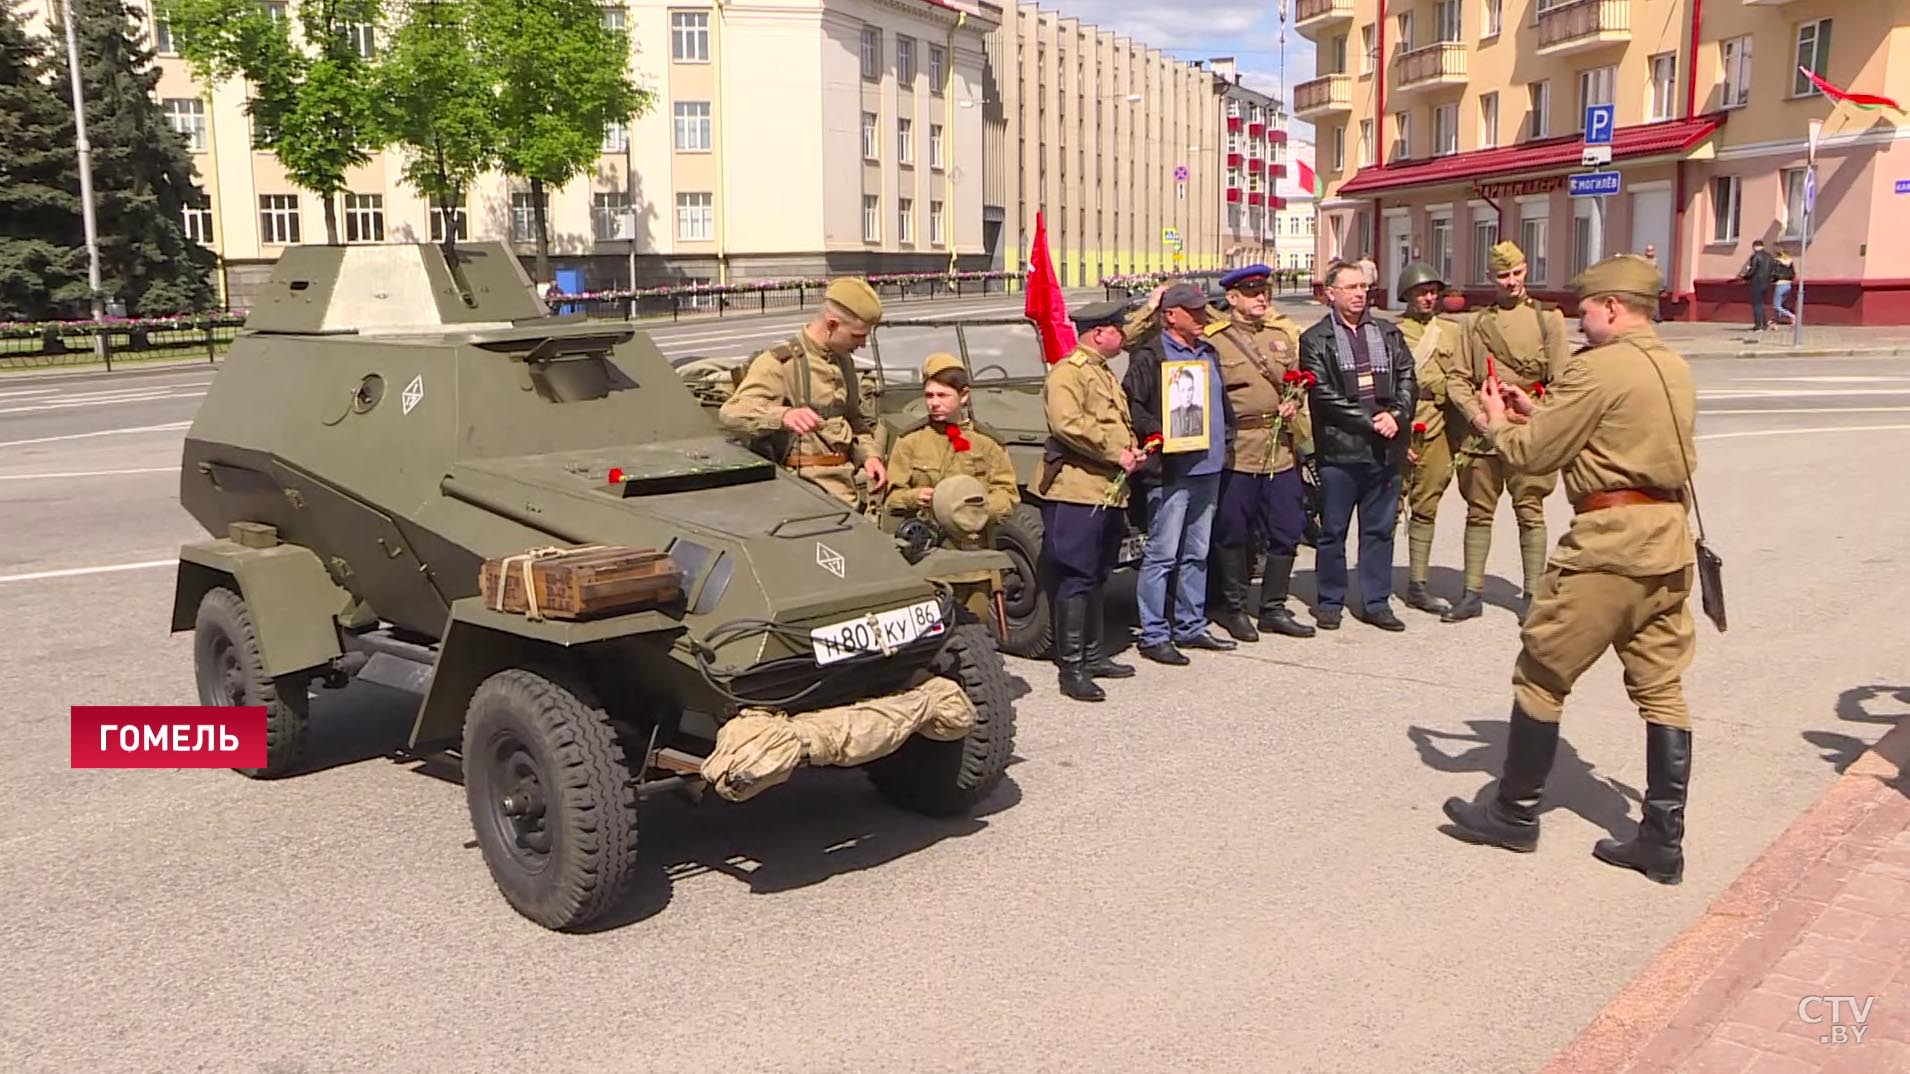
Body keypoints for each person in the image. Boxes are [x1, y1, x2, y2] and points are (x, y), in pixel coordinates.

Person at [1441, 254, 1700, 886]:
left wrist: (1497, 420)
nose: (1580, 321)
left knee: (1541, 674)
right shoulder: (1672, 364)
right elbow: (1602, 431)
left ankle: (1515, 813)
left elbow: (1533, 457)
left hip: (1609, 546)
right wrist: (1536, 409)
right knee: (1661, 687)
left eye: (1586, 310)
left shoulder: (1599, 367)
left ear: (1612, 307)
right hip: (1667, 542)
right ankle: (1663, 840)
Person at [1443, 240, 1569, 621]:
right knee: (1478, 512)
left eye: (1516, 273)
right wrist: (1475, 415)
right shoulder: (1476, 324)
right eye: (1503, 275)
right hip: (1482, 434)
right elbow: (1457, 379)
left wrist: (1536, 411)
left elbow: (1563, 382)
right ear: (1490, 278)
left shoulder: (1549, 321)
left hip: (1526, 430)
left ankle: (1532, 595)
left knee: (1530, 510)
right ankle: (1471, 594)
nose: (1511, 282)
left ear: (1527, 269)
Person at [1123, 282, 1239, 663]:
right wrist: (1160, 435)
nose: (1203, 316)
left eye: (1204, 310)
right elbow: (1133, 405)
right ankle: (1154, 633)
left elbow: (1220, 400)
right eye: (1194, 311)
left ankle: (1190, 625)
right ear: (1171, 315)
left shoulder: (1209, 351)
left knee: (1198, 553)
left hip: (1209, 467)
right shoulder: (1150, 355)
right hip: (1172, 472)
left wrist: (1228, 438)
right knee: (1162, 555)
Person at [1298, 260, 1416, 632]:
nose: (1360, 294)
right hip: (1340, 450)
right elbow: (1321, 393)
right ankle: (1330, 600)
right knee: (1333, 530)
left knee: (1380, 529)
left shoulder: (1388, 333)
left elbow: (1409, 378)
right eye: (1351, 287)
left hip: (1385, 449)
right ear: (1330, 294)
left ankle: (1376, 601)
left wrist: (1396, 415)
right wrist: (1370, 422)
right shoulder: (1316, 339)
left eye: (1363, 287)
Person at [1202, 263, 1316, 643]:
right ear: (1232, 298)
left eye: (1264, 292)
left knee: (1287, 528)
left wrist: (1294, 402)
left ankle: (1273, 608)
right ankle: (1234, 608)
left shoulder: (1280, 336)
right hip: (1240, 451)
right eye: (1252, 293)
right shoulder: (1214, 340)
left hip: (1280, 449)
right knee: (1234, 532)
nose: (1262, 298)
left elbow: (1297, 381)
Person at [1037, 300, 1144, 702]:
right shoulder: (1069, 373)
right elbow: (1068, 424)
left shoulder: (1101, 372)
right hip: (1077, 489)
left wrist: (1131, 450)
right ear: (1099, 332)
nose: (1123, 333)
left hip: (1107, 489)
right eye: (1118, 327)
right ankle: (1073, 667)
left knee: (1098, 573)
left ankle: (1094, 654)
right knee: (1077, 576)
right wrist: (1114, 452)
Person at [719, 278, 888, 506]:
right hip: (804, 490)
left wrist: (870, 456)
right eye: (857, 336)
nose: (863, 344)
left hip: (845, 484)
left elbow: (854, 419)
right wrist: (783, 416)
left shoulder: (843, 361)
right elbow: (732, 412)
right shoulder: (780, 362)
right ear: (832, 324)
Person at [882, 352, 1020, 545]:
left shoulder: (987, 443)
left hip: (974, 548)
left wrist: (975, 510)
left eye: (943, 395)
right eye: (929, 396)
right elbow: (892, 499)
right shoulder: (911, 441)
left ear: (963, 396)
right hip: (926, 548)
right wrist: (914, 497)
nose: (934, 403)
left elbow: (1007, 495)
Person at [1392, 261, 1464, 617]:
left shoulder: (1452, 333)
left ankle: (1418, 583)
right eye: (1422, 292)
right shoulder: (1391, 333)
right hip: (1401, 425)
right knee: (1387, 507)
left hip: (1437, 426)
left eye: (1434, 292)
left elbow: (1465, 379)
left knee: (1427, 505)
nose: (1429, 298)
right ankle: (1376, 581)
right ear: (1407, 294)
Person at [1736, 239, 1777, 332]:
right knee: (1761, 303)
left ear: (1755, 247)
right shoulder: (1770, 257)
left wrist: (1745, 276)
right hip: (1767, 283)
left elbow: (1753, 270)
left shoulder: (1755, 256)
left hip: (1756, 283)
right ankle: (1765, 324)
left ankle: (1758, 325)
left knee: (1757, 304)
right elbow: (1772, 270)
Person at [1771, 248, 1797, 326]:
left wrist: (1772, 280)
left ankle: (1791, 316)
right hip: (1788, 285)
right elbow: (1793, 274)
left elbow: (1774, 273)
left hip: (1780, 284)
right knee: (1779, 304)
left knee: (1776, 305)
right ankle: (1775, 323)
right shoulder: (1790, 261)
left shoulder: (1777, 262)